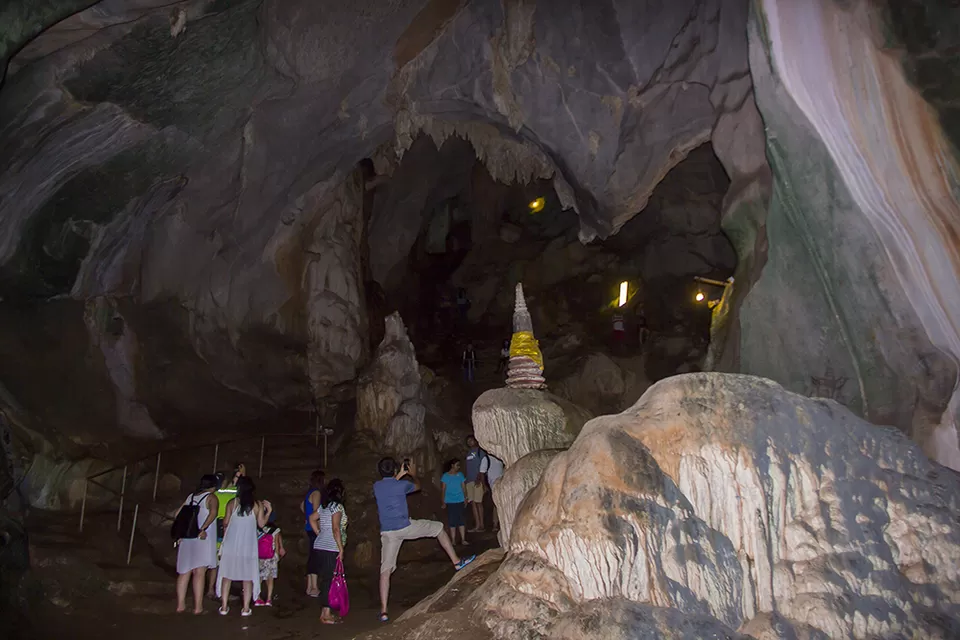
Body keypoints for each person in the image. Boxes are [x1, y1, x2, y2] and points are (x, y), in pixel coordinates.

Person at [374, 457, 475, 623]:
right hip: (405, 527)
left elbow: (390, 485)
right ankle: (457, 562)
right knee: (439, 528)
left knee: (385, 571)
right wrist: (413, 475)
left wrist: (397, 475)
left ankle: (384, 611)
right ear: (394, 471)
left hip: (388, 533)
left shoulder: (377, 486)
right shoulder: (402, 485)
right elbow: (418, 487)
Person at [217, 476, 272, 616]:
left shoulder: (232, 503)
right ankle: (246, 608)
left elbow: (225, 522)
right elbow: (261, 524)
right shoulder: (257, 505)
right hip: (248, 545)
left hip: (231, 544)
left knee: (227, 574)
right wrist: (268, 511)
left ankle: (224, 607)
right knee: (247, 576)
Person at [175, 474, 219, 614]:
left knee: (184, 572)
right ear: (213, 486)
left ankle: (180, 605)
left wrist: (180, 533)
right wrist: (203, 528)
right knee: (199, 572)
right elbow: (213, 513)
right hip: (201, 538)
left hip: (187, 537)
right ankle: (198, 608)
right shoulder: (211, 497)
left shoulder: (191, 497)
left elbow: (178, 514)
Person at [309, 478, 348, 624]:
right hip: (330, 547)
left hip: (320, 546)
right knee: (329, 580)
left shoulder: (324, 507)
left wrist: (319, 532)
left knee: (326, 578)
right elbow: (336, 528)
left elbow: (312, 518)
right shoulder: (336, 507)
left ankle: (326, 611)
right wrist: (341, 548)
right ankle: (325, 614)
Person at [300, 469, 325, 597]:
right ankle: (314, 587)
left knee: (312, 555)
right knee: (315, 557)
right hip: (314, 528)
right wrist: (320, 529)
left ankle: (310, 586)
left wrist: (306, 516)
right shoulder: (316, 493)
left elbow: (302, 506)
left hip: (309, 527)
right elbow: (317, 512)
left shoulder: (309, 493)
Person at [254, 520, 285, 607]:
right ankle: (268, 598)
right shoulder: (275, 530)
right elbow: (277, 544)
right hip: (271, 556)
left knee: (258, 577)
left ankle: (257, 598)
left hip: (259, 556)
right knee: (270, 578)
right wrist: (278, 556)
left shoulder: (257, 529)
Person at [440, 459, 468, 545]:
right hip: (450, 501)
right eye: (457, 465)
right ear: (452, 465)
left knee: (461, 520)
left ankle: (463, 539)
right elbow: (443, 490)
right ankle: (453, 540)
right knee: (452, 520)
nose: (458, 467)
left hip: (459, 499)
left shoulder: (460, 475)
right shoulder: (445, 476)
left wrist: (466, 498)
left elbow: (464, 487)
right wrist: (443, 501)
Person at [464, 436, 487, 532]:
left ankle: (482, 525)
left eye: (471, 440)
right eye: (468, 441)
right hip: (469, 480)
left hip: (477, 480)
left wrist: (481, 479)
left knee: (479, 502)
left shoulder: (480, 452)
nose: (469, 442)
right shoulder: (468, 453)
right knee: (473, 502)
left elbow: (483, 464)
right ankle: (477, 525)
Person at [478, 453, 505, 532]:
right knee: (495, 505)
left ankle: (500, 523)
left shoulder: (501, 456)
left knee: (501, 504)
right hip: (493, 485)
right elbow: (482, 473)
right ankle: (495, 524)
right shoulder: (486, 459)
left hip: (504, 483)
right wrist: (484, 485)